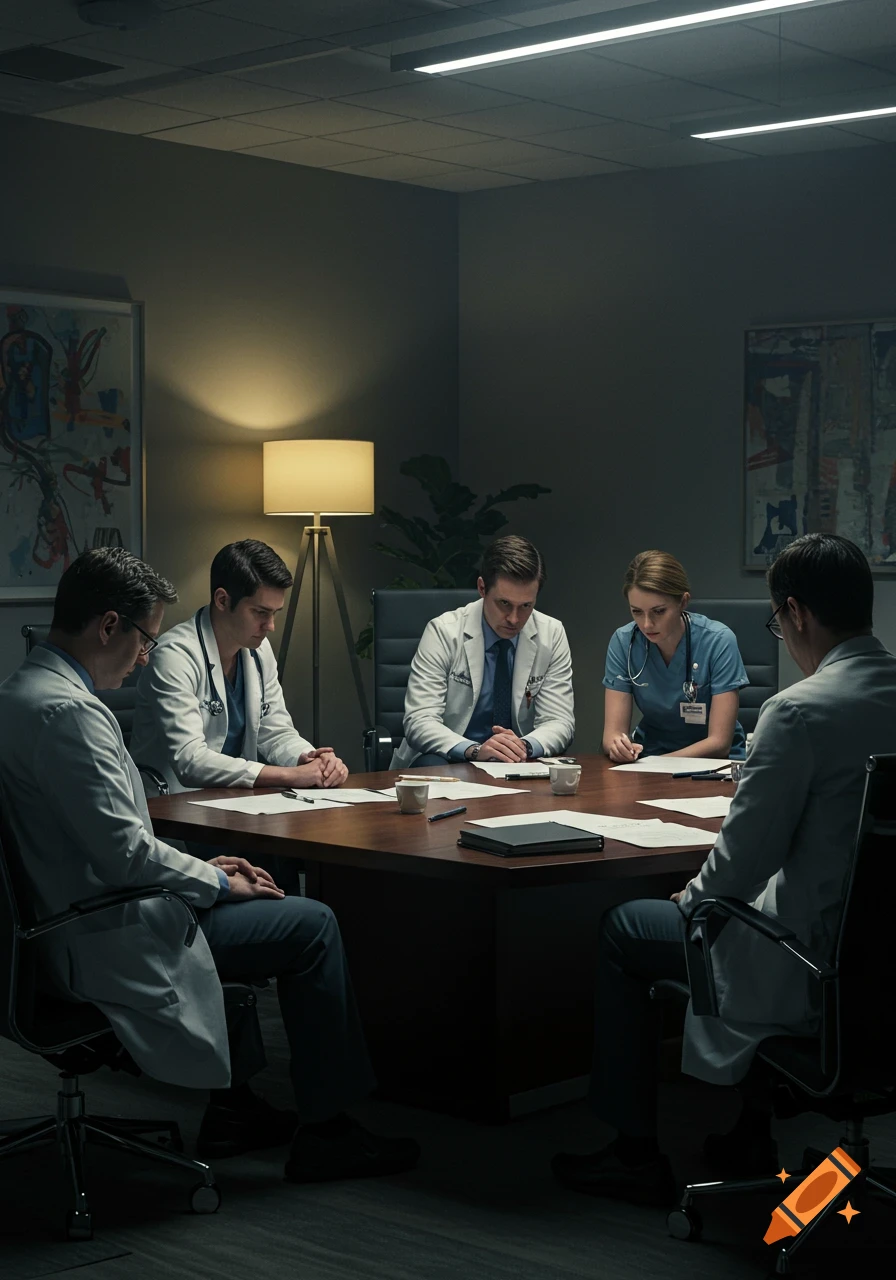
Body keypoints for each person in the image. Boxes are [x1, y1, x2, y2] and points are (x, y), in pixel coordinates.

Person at [0, 548, 418, 1180]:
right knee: (312, 925)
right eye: (143, 636)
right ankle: (329, 1132)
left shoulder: (18, 694)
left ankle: (238, 1109)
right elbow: (127, 853)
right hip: (102, 931)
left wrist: (213, 869)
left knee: (262, 892)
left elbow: (113, 840)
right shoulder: (73, 716)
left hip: (49, 926)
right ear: (108, 626)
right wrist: (219, 881)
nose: (146, 655)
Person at [553, 533, 896, 1205]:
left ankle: (633, 1152)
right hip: (880, 967)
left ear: (795, 613)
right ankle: (747, 1131)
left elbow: (740, 864)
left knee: (630, 928)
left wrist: (693, 900)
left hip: (811, 967)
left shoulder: (797, 712)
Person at [131, 539, 348, 798]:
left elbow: (276, 730)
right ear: (222, 600)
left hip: (235, 802)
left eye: (275, 613)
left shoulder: (258, 651)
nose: (270, 626)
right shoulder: (174, 656)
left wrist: (311, 760)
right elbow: (190, 760)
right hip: (173, 804)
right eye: (260, 612)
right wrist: (290, 775)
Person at [391, 535, 574, 768]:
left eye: (526, 606)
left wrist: (522, 747)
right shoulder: (444, 632)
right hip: (451, 758)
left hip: (518, 761)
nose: (514, 619)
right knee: (432, 766)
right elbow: (420, 720)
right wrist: (475, 750)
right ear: (481, 588)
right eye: (504, 604)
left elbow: (559, 721)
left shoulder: (552, 634)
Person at [602, 550, 748, 763]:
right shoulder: (625, 642)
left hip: (712, 764)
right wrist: (619, 747)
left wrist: (656, 764)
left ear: (683, 602)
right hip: (648, 757)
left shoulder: (718, 641)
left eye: (659, 611)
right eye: (637, 612)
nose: (646, 624)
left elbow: (719, 743)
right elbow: (612, 736)